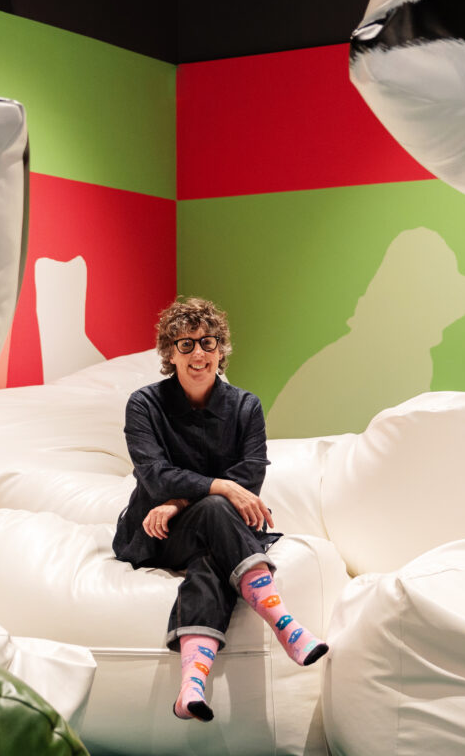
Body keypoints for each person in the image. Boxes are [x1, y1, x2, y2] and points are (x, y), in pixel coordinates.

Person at [112, 297, 328, 723]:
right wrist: (219, 486)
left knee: (212, 562)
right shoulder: (144, 404)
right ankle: (283, 622)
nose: (199, 353)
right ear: (170, 353)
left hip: (207, 525)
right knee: (217, 506)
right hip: (155, 534)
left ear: (221, 349)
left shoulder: (246, 406)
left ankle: (191, 687)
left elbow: (250, 476)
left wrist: (180, 500)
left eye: (207, 342)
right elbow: (153, 473)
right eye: (186, 344)